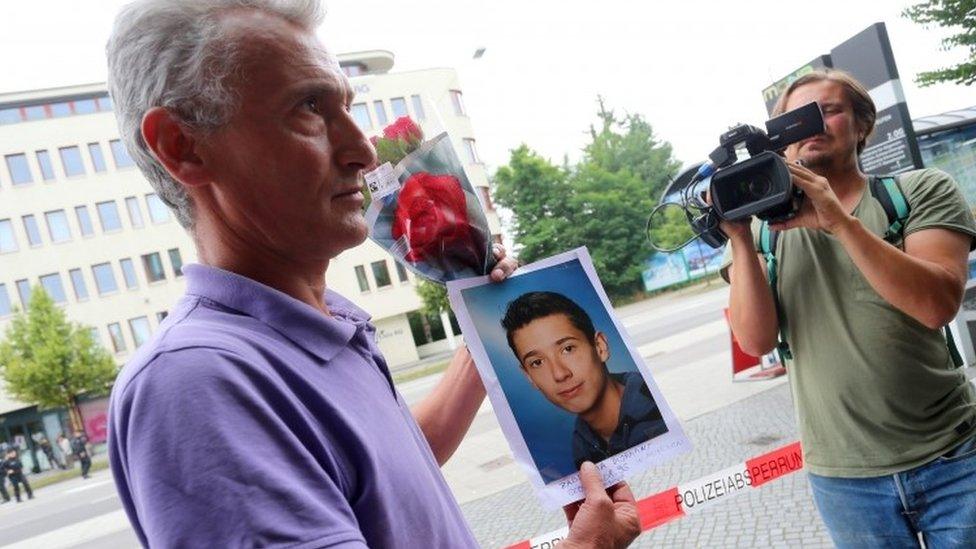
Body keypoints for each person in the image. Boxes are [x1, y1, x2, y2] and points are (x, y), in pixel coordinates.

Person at [104, 1, 640, 547]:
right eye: (309, 107)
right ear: (183, 147)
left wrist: (488, 335)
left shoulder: (322, 324)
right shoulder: (197, 384)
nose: (362, 150)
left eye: (347, 106)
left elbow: (386, 469)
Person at [722, 69, 976, 547]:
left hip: (954, 458)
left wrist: (839, 222)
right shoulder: (760, 235)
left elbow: (937, 305)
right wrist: (737, 238)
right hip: (843, 479)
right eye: (794, 120)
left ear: (862, 125)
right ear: (779, 143)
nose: (812, 124)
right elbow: (755, 341)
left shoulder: (919, 191)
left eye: (829, 110)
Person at [502, 291, 667, 468]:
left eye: (568, 349)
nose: (559, 374)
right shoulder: (581, 446)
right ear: (529, 376)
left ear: (600, 347)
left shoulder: (659, 402)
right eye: (537, 362)